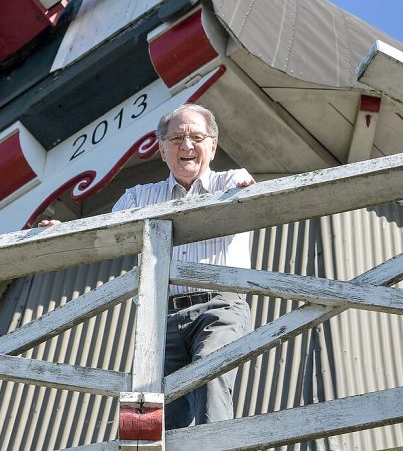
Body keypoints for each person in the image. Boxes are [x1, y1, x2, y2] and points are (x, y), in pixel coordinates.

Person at [40, 103, 254, 428]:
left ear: (212, 145)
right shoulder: (139, 197)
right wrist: (65, 231)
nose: (187, 146)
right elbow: (103, 233)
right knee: (149, 407)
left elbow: (248, 189)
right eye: (177, 138)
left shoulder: (230, 182)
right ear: (162, 148)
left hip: (218, 307)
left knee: (211, 376)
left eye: (197, 137)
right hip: (158, 316)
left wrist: (245, 189)